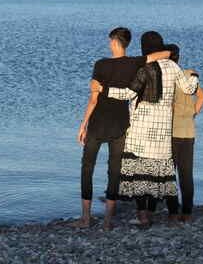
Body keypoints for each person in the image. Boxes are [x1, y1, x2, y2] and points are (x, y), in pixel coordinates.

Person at [92, 31, 199, 227]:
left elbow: (127, 94)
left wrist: (104, 90)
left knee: (139, 173)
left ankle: (143, 216)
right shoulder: (174, 67)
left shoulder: (143, 68)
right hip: (162, 132)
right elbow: (189, 89)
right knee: (160, 175)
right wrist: (195, 76)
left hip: (140, 129)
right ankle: (169, 215)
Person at [73, 27, 170, 231]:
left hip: (98, 123)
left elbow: (93, 99)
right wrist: (147, 57)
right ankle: (108, 221)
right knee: (114, 171)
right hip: (120, 124)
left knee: (87, 168)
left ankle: (86, 218)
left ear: (115, 42)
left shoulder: (101, 64)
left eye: (110, 41)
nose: (109, 45)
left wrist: (83, 124)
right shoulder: (135, 62)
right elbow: (167, 53)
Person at [165, 43, 203, 222]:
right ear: (179, 58)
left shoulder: (166, 78)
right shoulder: (189, 75)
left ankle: (173, 212)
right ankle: (188, 212)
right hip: (188, 131)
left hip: (171, 132)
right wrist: (193, 113)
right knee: (186, 174)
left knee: (169, 175)